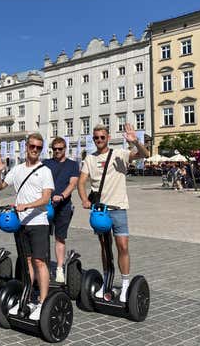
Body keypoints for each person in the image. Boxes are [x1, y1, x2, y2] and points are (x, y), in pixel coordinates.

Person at [77, 123, 149, 303]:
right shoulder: (90, 159)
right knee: (105, 248)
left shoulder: (119, 154)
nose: (99, 140)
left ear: (108, 138)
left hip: (118, 209)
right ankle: (107, 282)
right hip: (100, 212)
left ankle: (125, 285)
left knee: (122, 247)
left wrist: (136, 141)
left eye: (102, 137)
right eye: (96, 137)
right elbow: (81, 182)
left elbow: (144, 154)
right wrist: (84, 199)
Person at [0, 133, 54, 321]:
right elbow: (1, 186)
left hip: (38, 222)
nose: (35, 150)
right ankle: (27, 297)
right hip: (21, 223)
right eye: (32, 147)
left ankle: (43, 301)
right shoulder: (18, 169)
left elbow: (46, 198)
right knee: (27, 261)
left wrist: (27, 205)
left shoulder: (45, 171)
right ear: (26, 147)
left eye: (38, 147)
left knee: (39, 262)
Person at [42, 137, 80, 283]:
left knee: (60, 237)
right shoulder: (45, 163)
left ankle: (59, 269)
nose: (57, 151)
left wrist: (62, 196)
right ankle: (44, 267)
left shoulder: (72, 165)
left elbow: (73, 183)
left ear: (65, 149)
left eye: (60, 149)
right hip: (46, 205)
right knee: (43, 237)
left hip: (63, 206)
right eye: (55, 149)